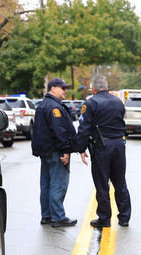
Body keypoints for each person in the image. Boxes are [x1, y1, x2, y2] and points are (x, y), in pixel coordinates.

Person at [75, 74, 131, 228]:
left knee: (102, 184)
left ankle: (104, 218)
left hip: (102, 147)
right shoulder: (118, 102)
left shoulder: (91, 103)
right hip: (119, 145)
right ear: (106, 87)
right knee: (120, 182)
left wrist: (81, 148)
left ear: (93, 88)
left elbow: (84, 128)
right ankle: (125, 217)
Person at [32, 78, 83, 227]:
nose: (65, 91)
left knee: (46, 184)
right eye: (63, 88)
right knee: (58, 184)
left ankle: (46, 215)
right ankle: (58, 217)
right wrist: (65, 151)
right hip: (56, 151)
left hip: (45, 152)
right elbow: (59, 131)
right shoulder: (54, 107)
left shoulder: (42, 105)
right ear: (53, 88)